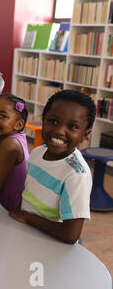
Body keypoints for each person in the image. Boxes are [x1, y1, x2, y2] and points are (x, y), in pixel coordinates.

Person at [10, 90, 96, 244]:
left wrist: (29, 217)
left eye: (73, 127)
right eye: (53, 121)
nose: (60, 131)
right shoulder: (38, 152)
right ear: (43, 121)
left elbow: (71, 234)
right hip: (29, 234)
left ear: (85, 135)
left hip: (54, 244)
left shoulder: (77, 174)